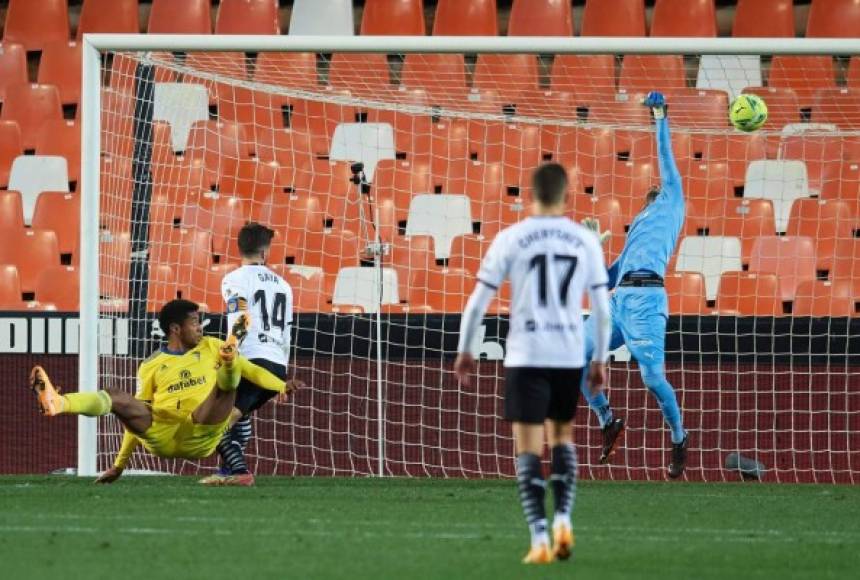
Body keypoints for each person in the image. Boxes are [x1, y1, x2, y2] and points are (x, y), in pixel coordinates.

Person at [454, 162, 611, 565]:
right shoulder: (584, 240)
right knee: (562, 438)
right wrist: (599, 359)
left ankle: (539, 538)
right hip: (567, 352)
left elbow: (477, 303)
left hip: (526, 354)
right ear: (567, 196)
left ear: (530, 195)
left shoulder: (512, 238)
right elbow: (602, 309)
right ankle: (563, 518)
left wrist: (466, 350)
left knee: (528, 449)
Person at [28, 299, 291, 484]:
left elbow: (253, 372)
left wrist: (280, 385)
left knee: (226, 385)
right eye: (195, 323)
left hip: (201, 431)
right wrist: (120, 465)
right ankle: (58, 402)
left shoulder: (211, 345)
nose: (201, 328)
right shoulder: (151, 365)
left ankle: (230, 357)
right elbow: (133, 420)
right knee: (116, 396)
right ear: (176, 329)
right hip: (161, 435)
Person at [579, 91, 690, 478]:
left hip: (647, 299)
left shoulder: (673, 199)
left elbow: (666, 159)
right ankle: (607, 420)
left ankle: (679, 437)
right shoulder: (635, 232)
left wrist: (660, 116)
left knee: (652, 378)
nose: (652, 194)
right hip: (619, 298)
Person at [199, 222, 298, 487]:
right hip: (276, 363)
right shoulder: (285, 286)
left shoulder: (234, 279)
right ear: (266, 252)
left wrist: (231, 346)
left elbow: (241, 315)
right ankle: (226, 471)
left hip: (251, 358)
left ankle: (240, 471)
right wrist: (280, 382)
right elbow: (287, 332)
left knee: (213, 422)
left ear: (239, 248)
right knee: (241, 415)